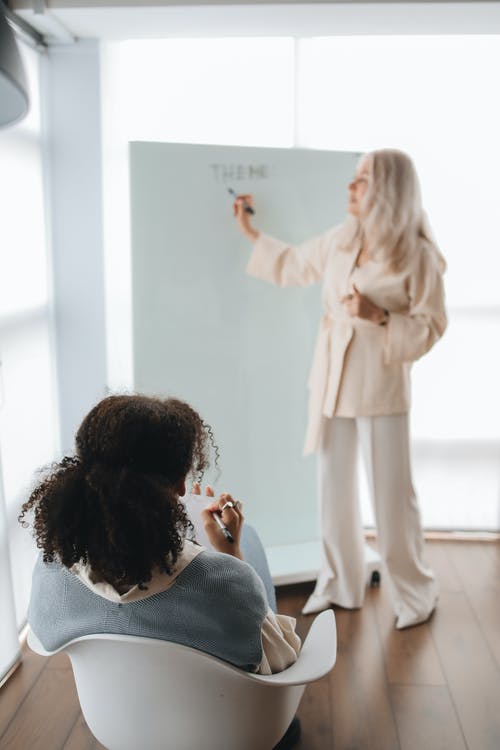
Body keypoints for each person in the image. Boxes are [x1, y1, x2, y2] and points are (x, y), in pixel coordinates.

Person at [233, 148, 447, 629]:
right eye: (353, 179)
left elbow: (432, 325)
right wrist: (250, 231)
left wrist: (381, 316)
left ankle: (415, 592)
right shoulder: (343, 238)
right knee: (333, 488)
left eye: (362, 180)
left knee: (392, 494)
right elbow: (294, 264)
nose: (350, 187)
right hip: (333, 376)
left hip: (381, 383)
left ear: (388, 189)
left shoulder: (417, 253)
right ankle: (340, 582)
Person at [20, 394, 301, 680]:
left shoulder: (52, 571)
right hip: (222, 722)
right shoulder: (228, 583)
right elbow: (281, 661)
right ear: (180, 486)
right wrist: (231, 555)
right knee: (249, 538)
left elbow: (42, 638)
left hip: (112, 720)